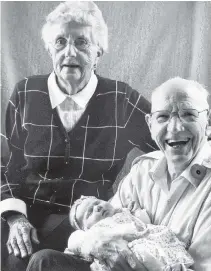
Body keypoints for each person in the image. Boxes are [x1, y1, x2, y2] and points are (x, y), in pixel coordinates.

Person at [0, 1, 157, 270]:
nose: (69, 52)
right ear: (50, 49)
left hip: (84, 221)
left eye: (82, 42)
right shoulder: (26, 92)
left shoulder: (121, 100)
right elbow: (6, 164)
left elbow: (167, 136)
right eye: (60, 42)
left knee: (23, 262)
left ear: (99, 51)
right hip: (25, 210)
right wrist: (15, 217)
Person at [27, 77, 211, 271]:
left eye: (189, 115)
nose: (175, 128)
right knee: (45, 261)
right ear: (150, 125)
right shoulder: (142, 170)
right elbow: (101, 228)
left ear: (207, 123)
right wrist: (97, 244)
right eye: (163, 117)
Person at [64, 195, 194, 271]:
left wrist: (137, 211)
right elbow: (75, 243)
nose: (97, 208)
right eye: (90, 212)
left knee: (161, 249)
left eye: (97, 202)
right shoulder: (95, 233)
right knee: (143, 253)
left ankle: (177, 266)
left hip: (147, 238)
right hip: (128, 252)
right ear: (86, 228)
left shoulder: (122, 211)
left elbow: (143, 224)